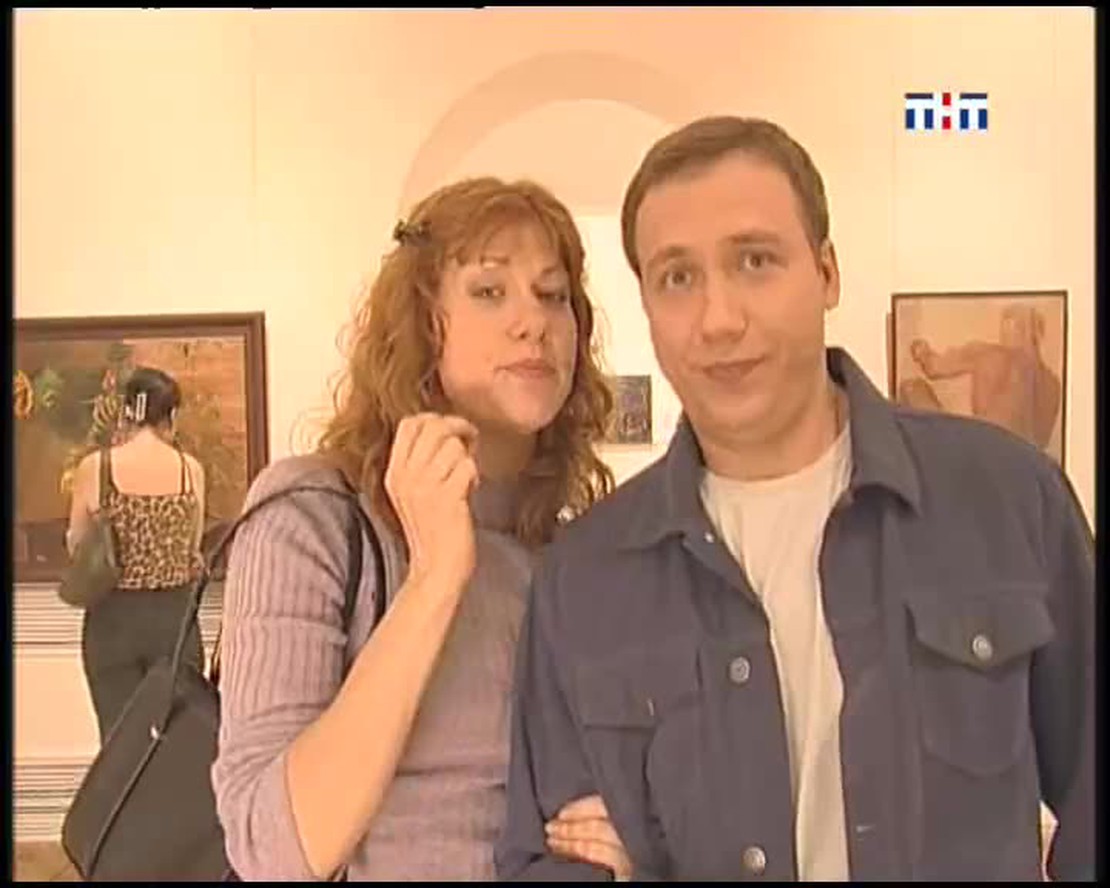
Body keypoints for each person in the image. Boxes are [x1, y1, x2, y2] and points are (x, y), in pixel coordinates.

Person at [497, 116, 1094, 881]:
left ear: (827, 272)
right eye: (677, 278)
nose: (719, 319)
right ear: (646, 306)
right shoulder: (585, 578)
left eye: (755, 261)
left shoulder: (1008, 500)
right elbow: (543, 857)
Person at [212, 177, 634, 880]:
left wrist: (623, 846)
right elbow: (272, 850)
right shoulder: (313, 517)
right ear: (422, 321)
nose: (532, 321)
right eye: (490, 291)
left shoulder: (569, 549)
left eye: (552, 294)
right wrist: (436, 576)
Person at [66, 366, 207, 743]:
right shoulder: (189, 470)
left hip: (112, 621)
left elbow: (77, 544)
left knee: (118, 744)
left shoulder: (96, 468)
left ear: (127, 411)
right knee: (178, 744)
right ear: (171, 415)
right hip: (175, 619)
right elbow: (191, 548)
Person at [905, 303, 1063, 451]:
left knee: (911, 387)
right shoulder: (1053, 385)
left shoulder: (988, 355)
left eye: (1007, 331)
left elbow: (934, 367)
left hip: (979, 451)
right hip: (1022, 462)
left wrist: (921, 351)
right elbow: (1042, 441)